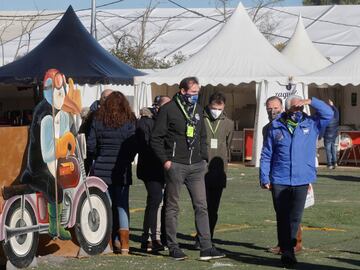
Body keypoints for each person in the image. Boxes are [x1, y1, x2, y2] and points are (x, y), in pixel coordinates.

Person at [151, 77, 225, 261]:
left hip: (197, 166)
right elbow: (156, 138)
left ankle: (206, 247)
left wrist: (203, 158)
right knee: (172, 207)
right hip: (175, 165)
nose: (195, 95)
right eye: (193, 92)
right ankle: (173, 246)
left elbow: (201, 135)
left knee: (202, 206)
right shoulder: (168, 110)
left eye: (197, 92)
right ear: (183, 91)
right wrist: (166, 161)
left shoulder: (198, 109)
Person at [260, 95, 333, 267]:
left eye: (301, 107)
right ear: (287, 108)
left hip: (302, 178)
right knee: (282, 217)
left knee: (295, 218)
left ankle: (290, 249)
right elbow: (266, 153)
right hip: (280, 178)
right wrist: (264, 176)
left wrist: (311, 101)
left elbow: (329, 114)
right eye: (295, 107)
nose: (298, 110)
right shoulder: (275, 126)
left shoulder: (312, 124)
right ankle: (286, 251)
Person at [87, 91, 136, 255]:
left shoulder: (98, 119)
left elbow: (91, 145)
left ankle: (107, 242)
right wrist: (127, 159)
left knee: (106, 207)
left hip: (101, 169)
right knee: (122, 206)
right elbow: (132, 145)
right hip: (122, 170)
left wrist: (98, 155)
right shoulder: (129, 120)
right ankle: (124, 245)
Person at [263, 96, 303, 255]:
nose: (272, 111)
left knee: (294, 212)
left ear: (282, 108)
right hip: (277, 175)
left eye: (275, 108)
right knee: (281, 212)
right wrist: (266, 176)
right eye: (269, 108)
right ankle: (283, 243)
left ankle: (295, 243)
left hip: (295, 174)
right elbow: (267, 153)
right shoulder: (267, 128)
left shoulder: (292, 123)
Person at [193, 92, 233, 248]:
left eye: (219, 108)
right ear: (208, 106)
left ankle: (208, 237)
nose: (216, 110)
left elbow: (227, 146)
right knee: (201, 206)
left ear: (224, 107)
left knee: (213, 208)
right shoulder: (200, 120)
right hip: (200, 170)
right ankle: (200, 237)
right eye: (214, 107)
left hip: (218, 172)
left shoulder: (229, 123)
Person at [136, 95, 171, 252]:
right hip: (151, 168)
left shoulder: (166, 121)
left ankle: (149, 238)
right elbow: (149, 145)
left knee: (157, 201)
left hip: (162, 167)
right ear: (157, 107)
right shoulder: (146, 122)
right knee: (156, 200)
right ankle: (153, 237)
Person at [79, 89, 113, 173]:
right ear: (101, 98)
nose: (108, 100)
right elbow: (86, 134)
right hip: (95, 156)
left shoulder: (118, 114)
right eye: (105, 98)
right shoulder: (93, 114)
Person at [321, 99, 339, 169]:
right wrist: (332, 105)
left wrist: (321, 136)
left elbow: (323, 129)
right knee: (333, 149)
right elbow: (337, 111)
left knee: (328, 150)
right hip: (334, 136)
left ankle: (329, 164)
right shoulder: (336, 118)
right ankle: (335, 162)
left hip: (327, 137)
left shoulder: (326, 119)